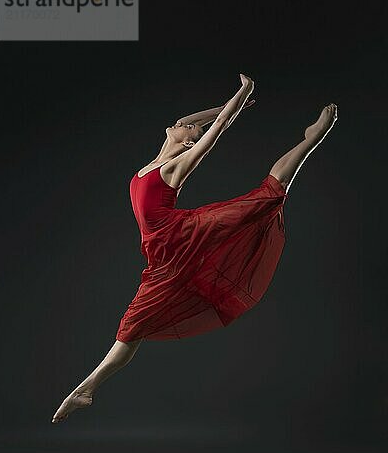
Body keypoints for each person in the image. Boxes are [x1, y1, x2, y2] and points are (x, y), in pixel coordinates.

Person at [52, 74, 338, 423]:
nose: (183, 125)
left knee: (265, 198)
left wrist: (241, 94)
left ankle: (312, 138)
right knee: (133, 322)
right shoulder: (157, 159)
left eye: (190, 131)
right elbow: (193, 121)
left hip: (184, 236)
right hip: (162, 254)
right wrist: (233, 102)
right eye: (183, 126)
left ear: (189, 144)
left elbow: (214, 130)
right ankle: (86, 390)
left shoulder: (174, 167)